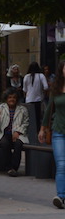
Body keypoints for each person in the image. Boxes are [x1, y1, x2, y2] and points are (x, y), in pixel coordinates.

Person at [38, 60, 65, 209]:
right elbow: (49, 110)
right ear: (62, 71)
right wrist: (43, 129)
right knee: (61, 165)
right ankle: (60, 196)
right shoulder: (56, 88)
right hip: (58, 131)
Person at [0, 89, 28, 176]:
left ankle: (14, 168)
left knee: (18, 144)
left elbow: (26, 123)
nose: (12, 99)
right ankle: (9, 167)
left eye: (14, 97)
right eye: (10, 97)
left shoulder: (23, 109)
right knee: (3, 144)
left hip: (17, 134)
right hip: (4, 133)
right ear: (6, 99)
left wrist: (18, 132)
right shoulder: (1, 108)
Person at [22, 62, 48, 143]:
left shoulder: (26, 77)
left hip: (29, 100)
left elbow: (24, 90)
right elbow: (46, 87)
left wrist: (27, 96)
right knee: (37, 118)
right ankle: (37, 134)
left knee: (28, 119)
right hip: (38, 100)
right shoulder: (41, 76)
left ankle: (28, 134)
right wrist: (43, 94)